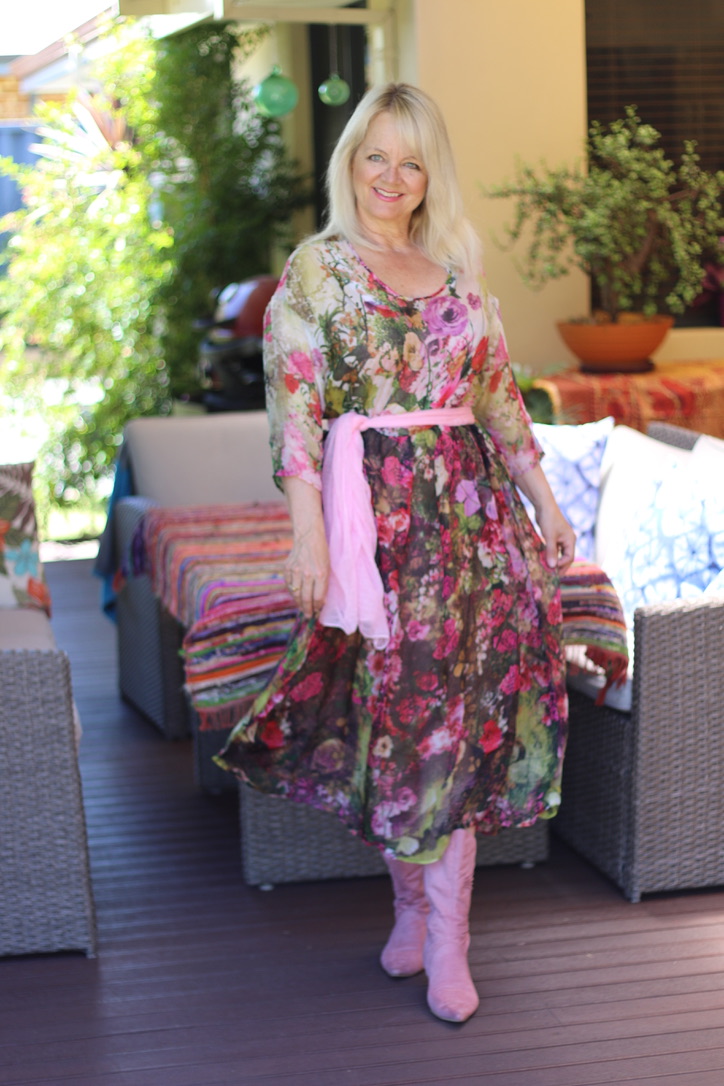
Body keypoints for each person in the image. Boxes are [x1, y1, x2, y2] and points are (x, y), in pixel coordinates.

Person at [216, 82, 575, 1024]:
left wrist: (544, 501)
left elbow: (499, 398)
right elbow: (294, 412)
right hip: (376, 531)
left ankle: (447, 941)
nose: (391, 176)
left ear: (429, 178)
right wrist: (308, 538)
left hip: (474, 531)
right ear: (350, 162)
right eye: (376, 155)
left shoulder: (457, 274)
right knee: (403, 722)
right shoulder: (319, 273)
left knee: (458, 725)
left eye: (411, 161)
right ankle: (410, 909)